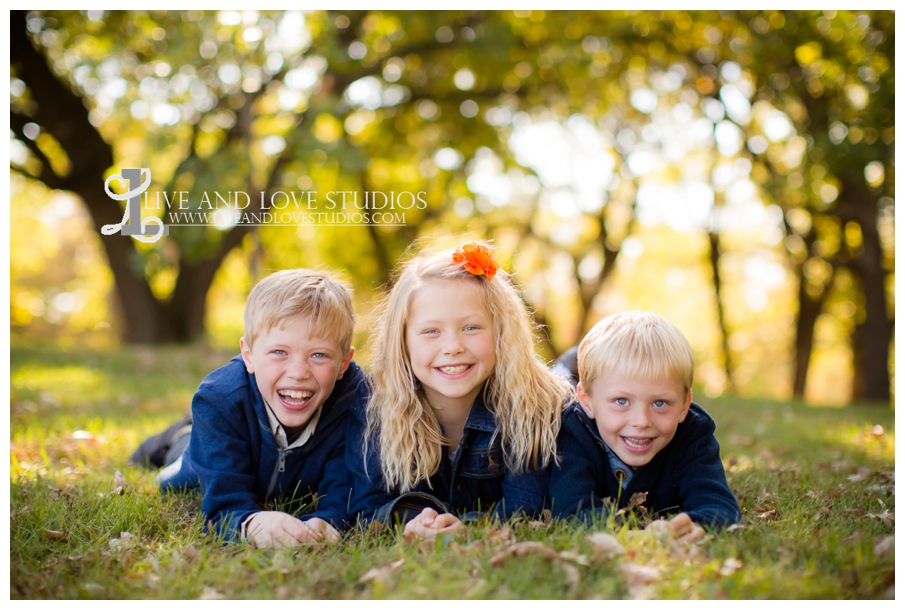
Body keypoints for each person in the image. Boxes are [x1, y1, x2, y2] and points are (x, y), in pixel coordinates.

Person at [347, 241, 574, 540]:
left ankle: (573, 359)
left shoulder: (534, 406)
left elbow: (525, 505)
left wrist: (469, 528)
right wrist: (409, 522)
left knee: (573, 369)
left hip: (551, 385)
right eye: (431, 331)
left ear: (501, 332)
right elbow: (364, 506)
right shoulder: (374, 404)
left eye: (471, 328)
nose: (453, 347)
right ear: (402, 341)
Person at [144, 269, 367, 548]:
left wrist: (329, 519)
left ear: (344, 363)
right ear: (248, 355)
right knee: (181, 471)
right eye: (279, 352)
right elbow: (222, 508)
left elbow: (346, 487)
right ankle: (178, 435)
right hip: (211, 443)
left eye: (319, 355)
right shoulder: (219, 399)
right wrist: (248, 523)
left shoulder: (358, 401)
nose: (298, 373)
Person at [549, 310, 741, 537]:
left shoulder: (693, 434)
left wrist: (697, 525)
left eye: (660, 403)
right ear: (587, 402)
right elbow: (571, 507)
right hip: (569, 399)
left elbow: (719, 504)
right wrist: (632, 535)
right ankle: (563, 370)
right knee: (560, 386)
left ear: (683, 405)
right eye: (621, 401)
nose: (642, 422)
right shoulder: (573, 430)